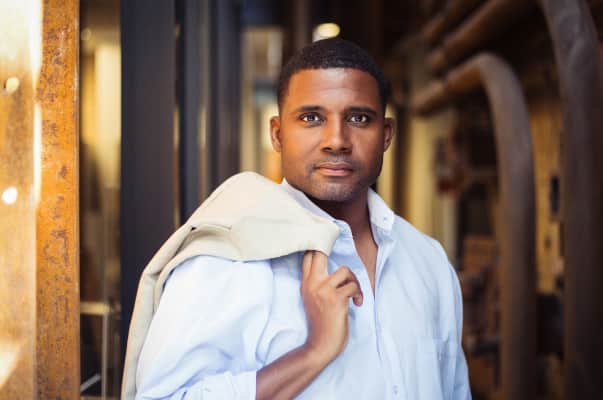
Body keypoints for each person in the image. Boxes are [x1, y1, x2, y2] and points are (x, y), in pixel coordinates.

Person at [135, 38, 471, 399]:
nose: (336, 140)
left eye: (359, 118)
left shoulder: (429, 261)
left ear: (386, 134)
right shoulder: (225, 262)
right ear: (278, 134)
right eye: (312, 118)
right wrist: (313, 352)